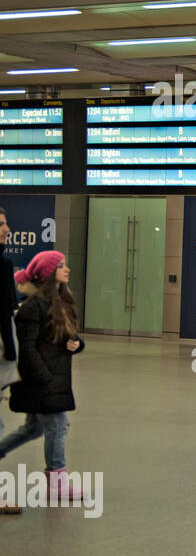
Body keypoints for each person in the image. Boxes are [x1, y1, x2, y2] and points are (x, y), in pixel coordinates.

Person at [0, 251, 85, 505]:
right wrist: (44, 378)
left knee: (35, 427)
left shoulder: (63, 301)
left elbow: (69, 338)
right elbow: (27, 348)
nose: (66, 269)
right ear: (48, 273)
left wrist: (76, 345)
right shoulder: (33, 307)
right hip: (42, 381)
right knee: (59, 425)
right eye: (60, 266)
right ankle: (57, 483)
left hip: (54, 379)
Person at [0, 211, 17, 514]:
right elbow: (5, 313)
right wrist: (12, 352)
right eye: (0, 225)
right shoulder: (3, 266)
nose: (6, 229)